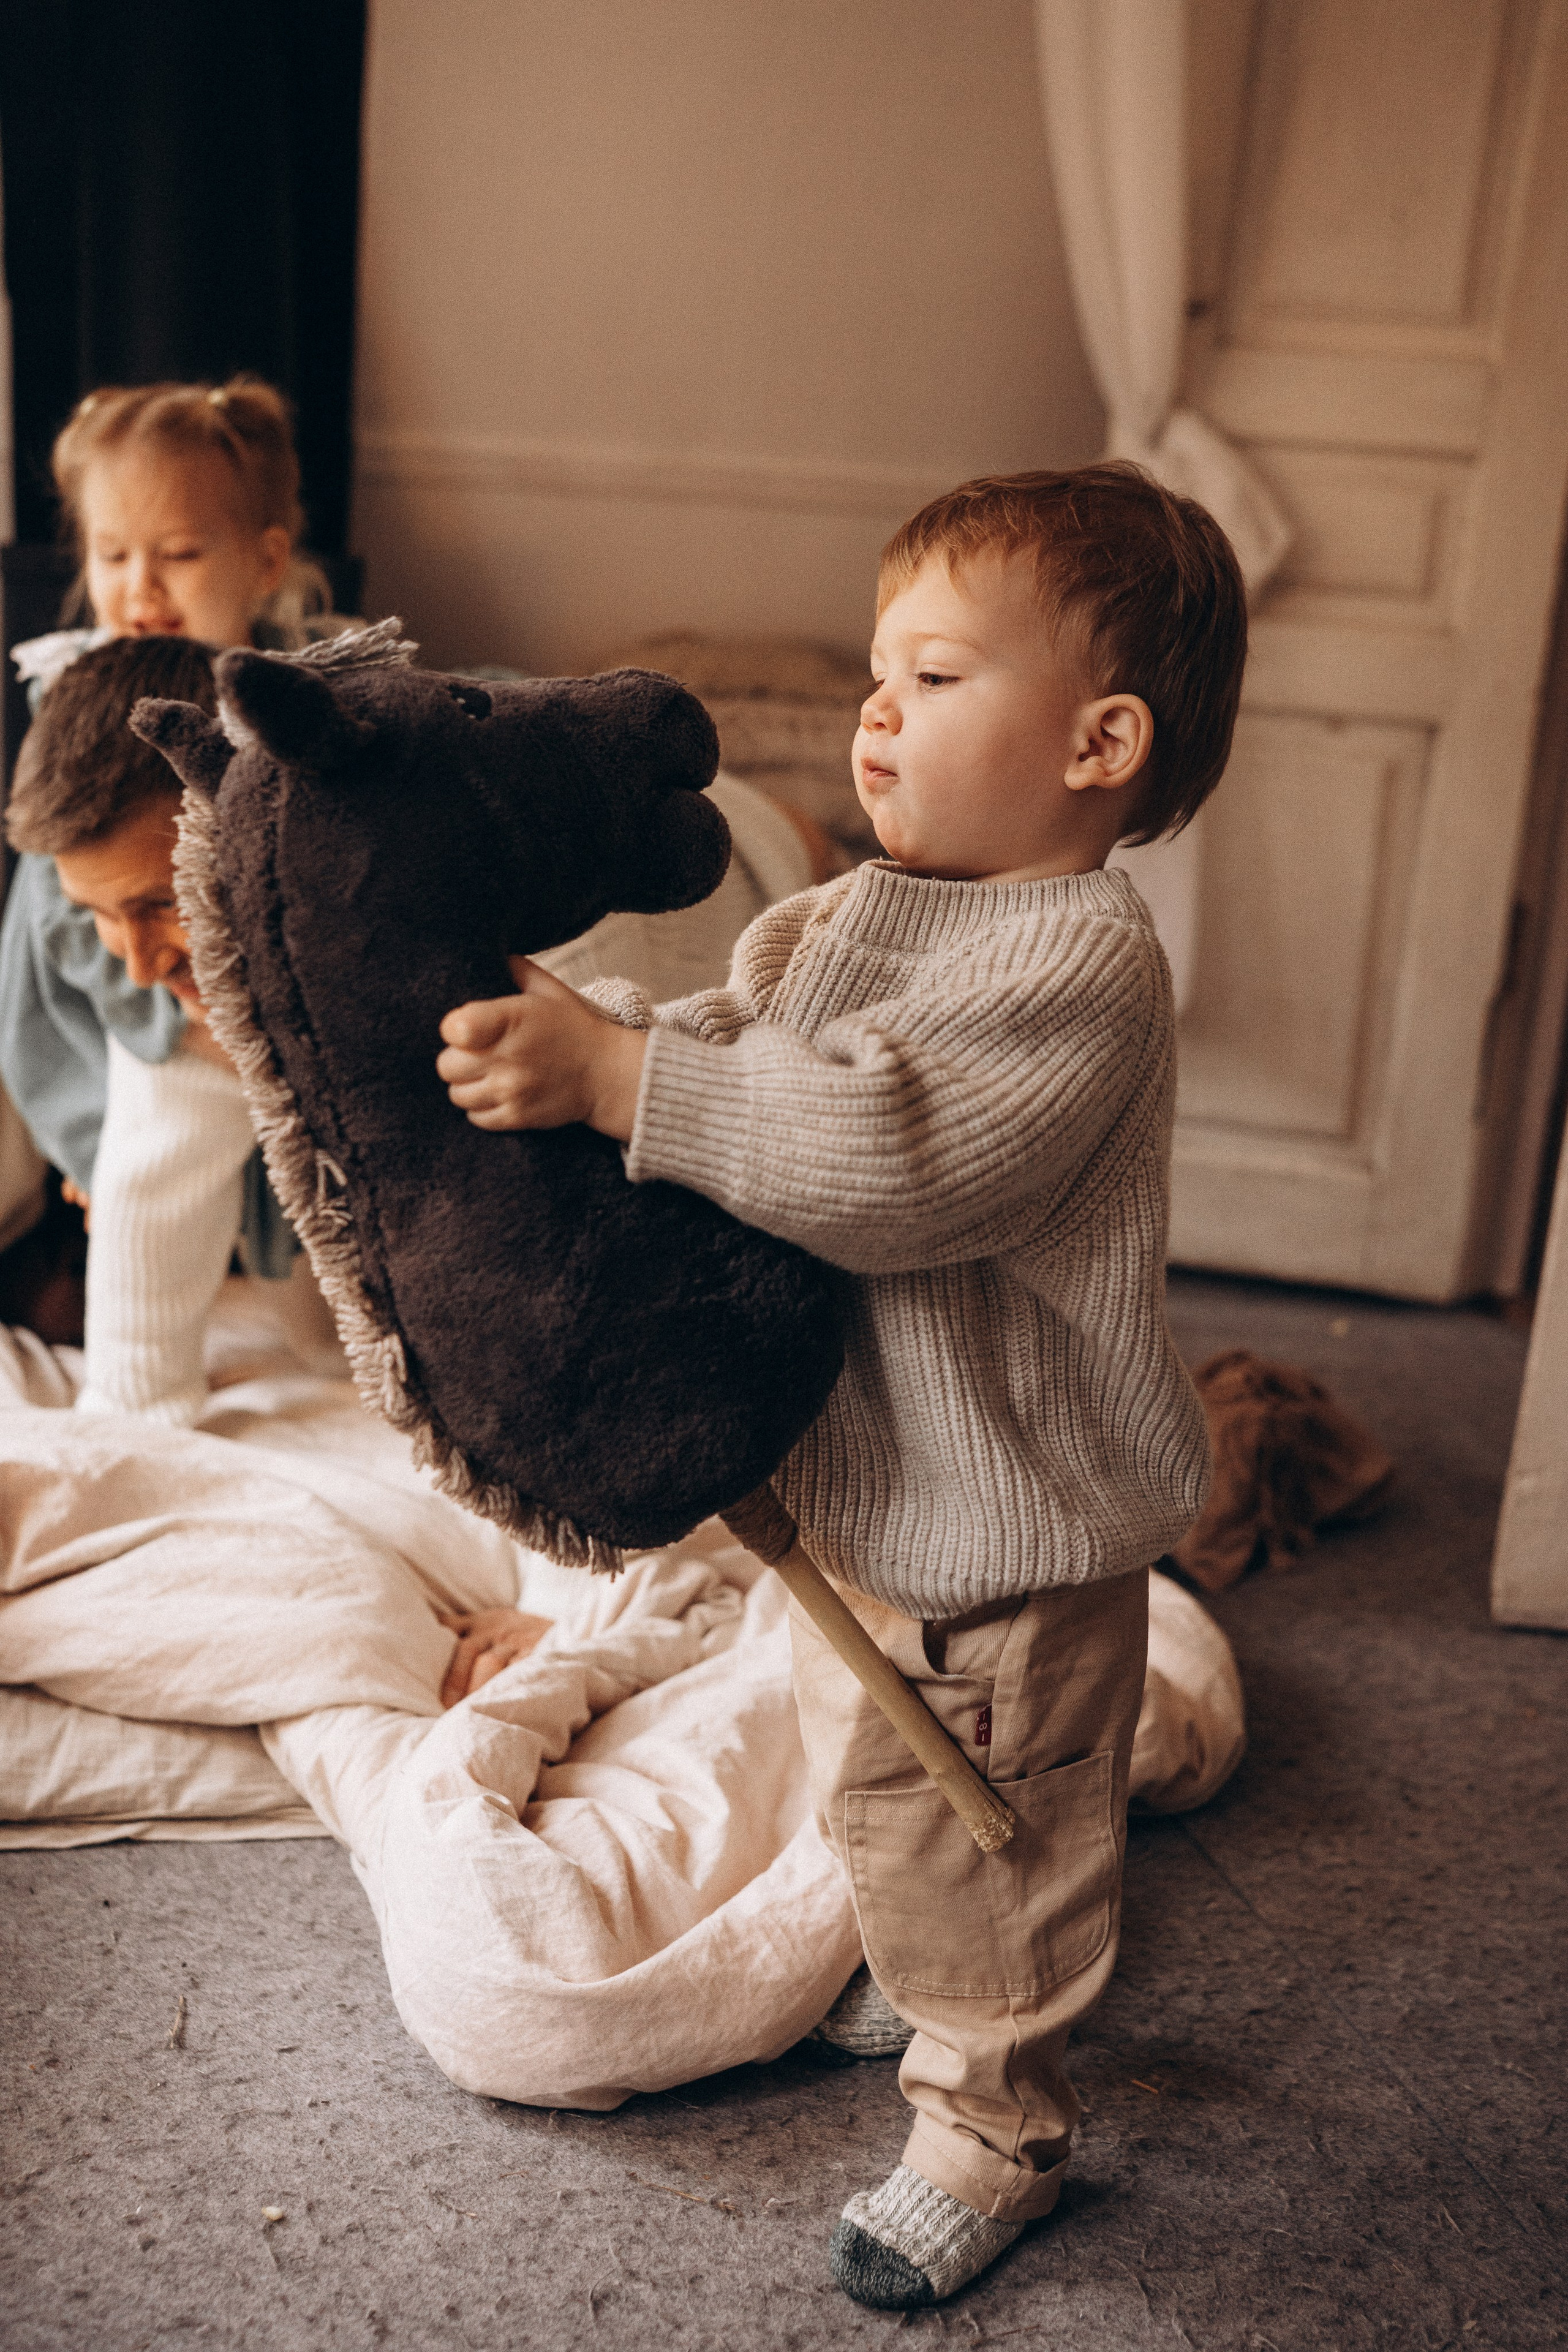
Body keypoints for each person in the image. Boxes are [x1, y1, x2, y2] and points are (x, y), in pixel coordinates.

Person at [432, 464, 1246, 2307]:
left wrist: (632, 1091)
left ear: (1100, 742)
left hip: (1012, 1538)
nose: (880, 708)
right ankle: (917, 1946)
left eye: (939, 678)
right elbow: (741, 1038)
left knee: (1006, 1837)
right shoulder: (854, 914)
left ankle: (996, 2125)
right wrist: (601, 1037)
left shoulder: (1082, 963)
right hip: (874, 1493)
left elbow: (895, 1153)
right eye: (883, 669)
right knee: (880, 1771)